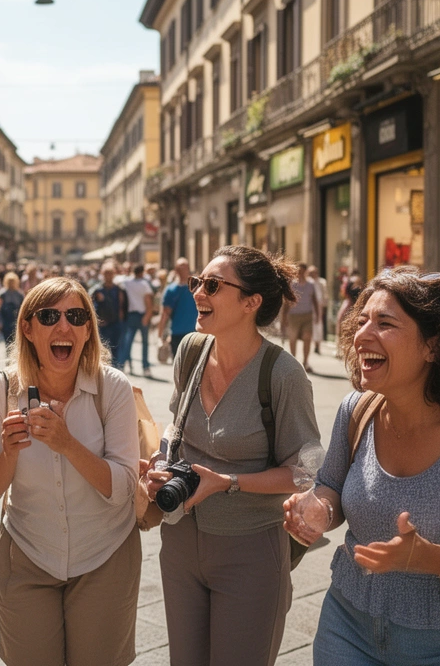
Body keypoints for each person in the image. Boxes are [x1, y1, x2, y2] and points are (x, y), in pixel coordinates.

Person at [285, 268, 440, 665]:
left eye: (385, 323)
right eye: (362, 321)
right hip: (346, 625)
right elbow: (331, 484)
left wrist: (432, 560)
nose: (362, 334)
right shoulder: (356, 411)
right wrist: (320, 509)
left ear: (433, 346)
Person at [139, 247, 320, 666]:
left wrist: (228, 483)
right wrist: (160, 462)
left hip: (250, 550)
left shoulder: (283, 373)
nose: (198, 292)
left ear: (250, 302)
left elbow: (304, 472)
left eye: (213, 285)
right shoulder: (191, 350)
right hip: (180, 541)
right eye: (197, 282)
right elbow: (174, 427)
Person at [0, 277, 140, 666]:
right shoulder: (1, 391)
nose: (64, 326)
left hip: (105, 556)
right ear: (28, 329)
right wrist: (9, 453)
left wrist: (67, 443)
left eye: (76, 317)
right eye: (50, 316)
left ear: (88, 330)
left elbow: (124, 489)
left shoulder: (112, 388)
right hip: (27, 555)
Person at [120, 264, 155, 377]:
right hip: (142, 314)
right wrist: (147, 316)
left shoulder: (127, 282)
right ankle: (145, 367)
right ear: (142, 272)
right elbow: (148, 301)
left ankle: (123, 364)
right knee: (144, 343)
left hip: (131, 315)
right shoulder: (144, 284)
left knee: (128, 341)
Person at [286, 264, 321, 374]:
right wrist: (284, 317)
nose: (300, 273)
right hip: (293, 315)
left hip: (307, 315)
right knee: (293, 338)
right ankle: (293, 362)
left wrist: (318, 315)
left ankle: (305, 362)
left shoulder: (310, 284)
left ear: (305, 272)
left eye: (302, 271)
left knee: (307, 337)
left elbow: (314, 300)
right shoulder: (292, 284)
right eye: (298, 271)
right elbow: (287, 302)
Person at [89, 261, 127, 362]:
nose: (108, 276)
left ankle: (116, 367)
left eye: (110, 273)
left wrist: (122, 319)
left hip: (116, 322)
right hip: (103, 323)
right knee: (103, 348)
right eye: (106, 273)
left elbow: (123, 305)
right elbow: (90, 304)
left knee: (116, 348)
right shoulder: (97, 290)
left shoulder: (119, 289)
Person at [159, 258, 198, 356]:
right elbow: (165, 313)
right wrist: (160, 335)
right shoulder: (171, 290)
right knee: (178, 362)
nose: (183, 270)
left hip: (196, 333)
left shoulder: (197, 287)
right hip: (177, 333)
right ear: (176, 270)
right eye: (180, 268)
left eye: (185, 267)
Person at [0, 272, 25, 346]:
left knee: (12, 340)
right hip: (8, 319)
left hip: (13, 319)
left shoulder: (18, 294)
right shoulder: (3, 293)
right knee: (10, 340)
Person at [308, 266, 329, 355]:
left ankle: (318, 345)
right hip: (309, 308)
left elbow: (325, 295)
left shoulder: (322, 282)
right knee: (311, 326)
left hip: (319, 307)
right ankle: (313, 344)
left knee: (318, 325)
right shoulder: (308, 282)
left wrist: (324, 307)